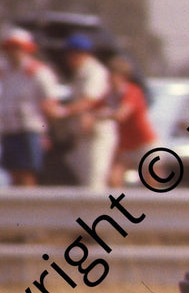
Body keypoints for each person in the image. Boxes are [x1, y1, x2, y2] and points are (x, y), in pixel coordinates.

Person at [0, 27, 63, 187]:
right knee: (12, 173)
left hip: (30, 129)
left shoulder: (38, 72)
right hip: (9, 129)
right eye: (9, 47)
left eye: (17, 48)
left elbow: (50, 104)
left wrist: (45, 132)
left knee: (27, 173)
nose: (13, 52)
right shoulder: (5, 71)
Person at [62, 34, 118, 191]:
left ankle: (100, 214)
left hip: (97, 133)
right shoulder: (78, 74)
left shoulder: (95, 71)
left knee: (95, 181)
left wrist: (63, 111)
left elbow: (89, 101)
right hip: (83, 135)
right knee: (84, 182)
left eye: (73, 54)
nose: (69, 58)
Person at [108, 55, 158, 186]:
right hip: (126, 145)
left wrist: (99, 115)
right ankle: (116, 205)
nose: (109, 80)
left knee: (151, 180)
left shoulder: (133, 92)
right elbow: (92, 104)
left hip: (144, 142)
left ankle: (153, 205)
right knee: (113, 178)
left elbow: (121, 114)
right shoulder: (110, 95)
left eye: (113, 76)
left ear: (122, 77)